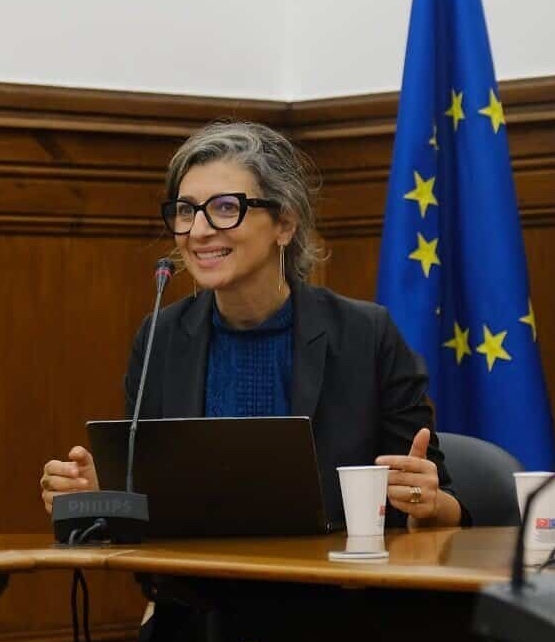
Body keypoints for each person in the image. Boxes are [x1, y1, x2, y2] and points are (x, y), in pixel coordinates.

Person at [40, 121, 466, 531]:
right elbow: (148, 507)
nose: (199, 230)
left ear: (285, 223)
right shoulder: (161, 338)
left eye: (226, 208)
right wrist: (96, 495)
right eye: (186, 211)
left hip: (335, 595)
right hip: (197, 597)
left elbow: (440, 500)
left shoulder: (366, 335)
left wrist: (423, 502)